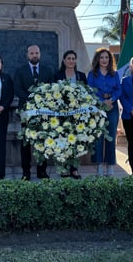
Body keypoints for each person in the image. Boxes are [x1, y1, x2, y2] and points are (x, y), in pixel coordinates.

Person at [14, 45, 54, 180]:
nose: (34, 55)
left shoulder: (48, 71)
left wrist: (41, 102)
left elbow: (52, 90)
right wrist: (32, 100)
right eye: (31, 53)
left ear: (40, 54)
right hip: (26, 112)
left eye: (36, 53)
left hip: (44, 113)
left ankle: (42, 171)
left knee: (42, 142)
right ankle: (26, 172)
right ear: (27, 55)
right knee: (26, 143)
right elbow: (17, 89)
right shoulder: (20, 71)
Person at [87, 48, 121, 176]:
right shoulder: (92, 74)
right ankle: (99, 165)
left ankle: (110, 165)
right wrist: (102, 101)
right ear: (97, 59)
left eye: (106, 57)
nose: (104, 60)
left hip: (112, 108)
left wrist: (111, 100)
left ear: (110, 59)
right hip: (98, 108)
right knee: (98, 137)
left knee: (111, 137)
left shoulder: (115, 74)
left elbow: (119, 89)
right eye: (101, 57)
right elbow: (90, 90)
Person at [54, 50, 87, 179]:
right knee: (63, 141)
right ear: (64, 60)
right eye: (69, 58)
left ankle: (74, 169)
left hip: (77, 114)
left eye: (73, 58)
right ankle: (64, 168)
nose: (71, 61)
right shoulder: (57, 75)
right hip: (62, 114)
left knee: (75, 141)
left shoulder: (81, 76)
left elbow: (86, 93)